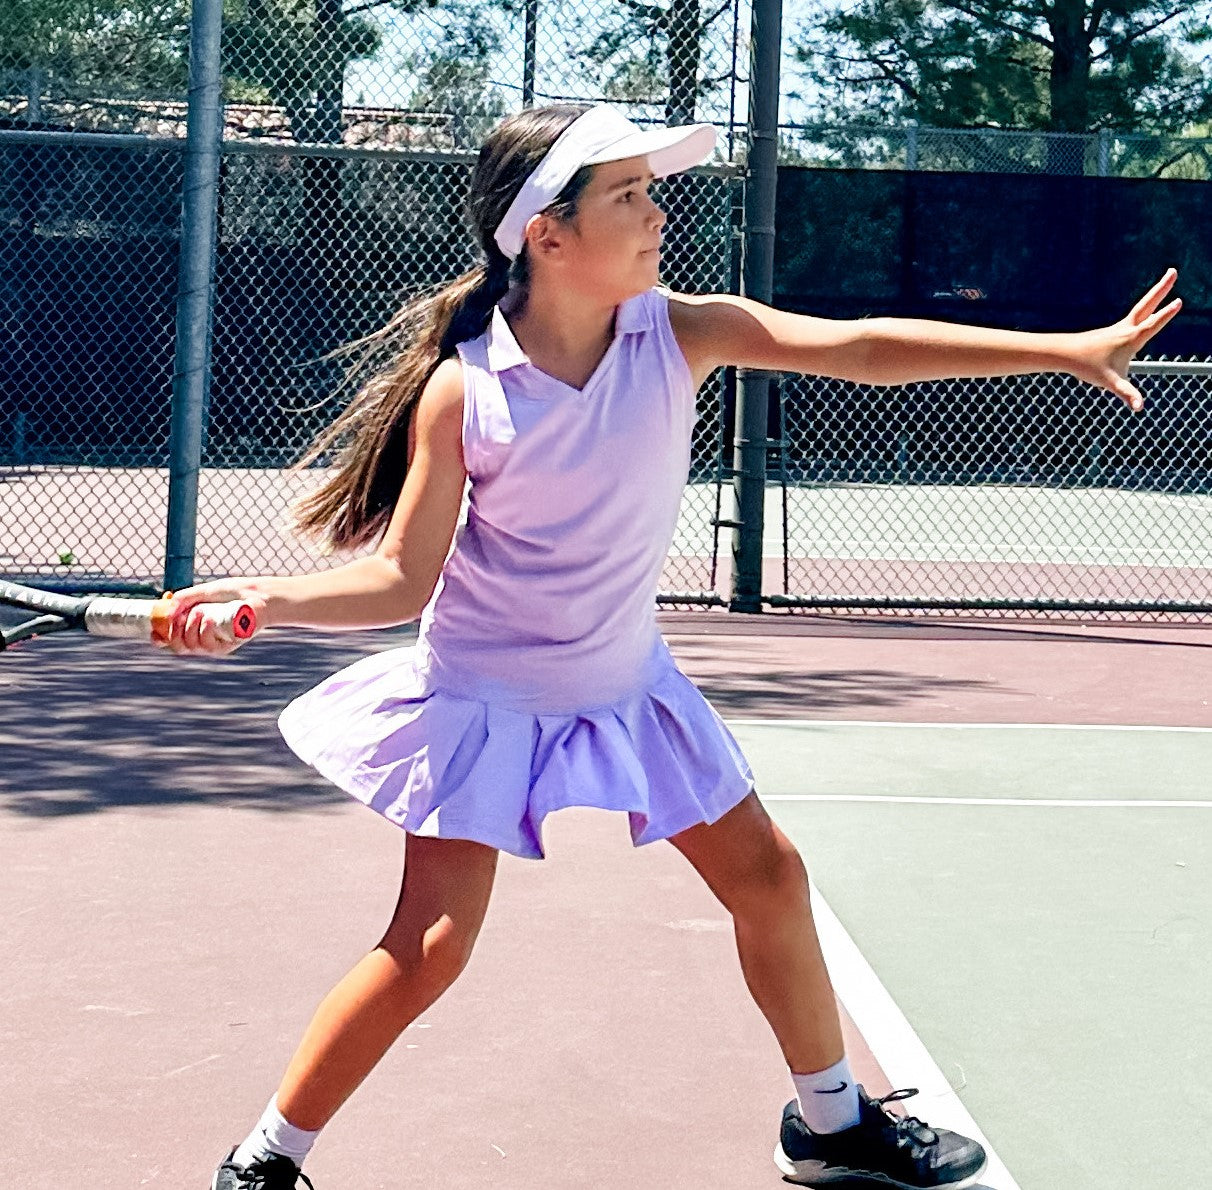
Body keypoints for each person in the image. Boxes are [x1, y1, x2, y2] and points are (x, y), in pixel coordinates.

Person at [164, 103, 1181, 1190]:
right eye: (629, 196)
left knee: (771, 878)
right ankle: (266, 1158)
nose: (658, 214)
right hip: (484, 695)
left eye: (653, 191)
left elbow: (861, 347)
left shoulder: (681, 330)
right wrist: (268, 597)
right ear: (547, 234)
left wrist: (1062, 350)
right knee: (432, 945)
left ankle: (831, 1124)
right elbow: (401, 579)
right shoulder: (470, 390)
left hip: (625, 683)